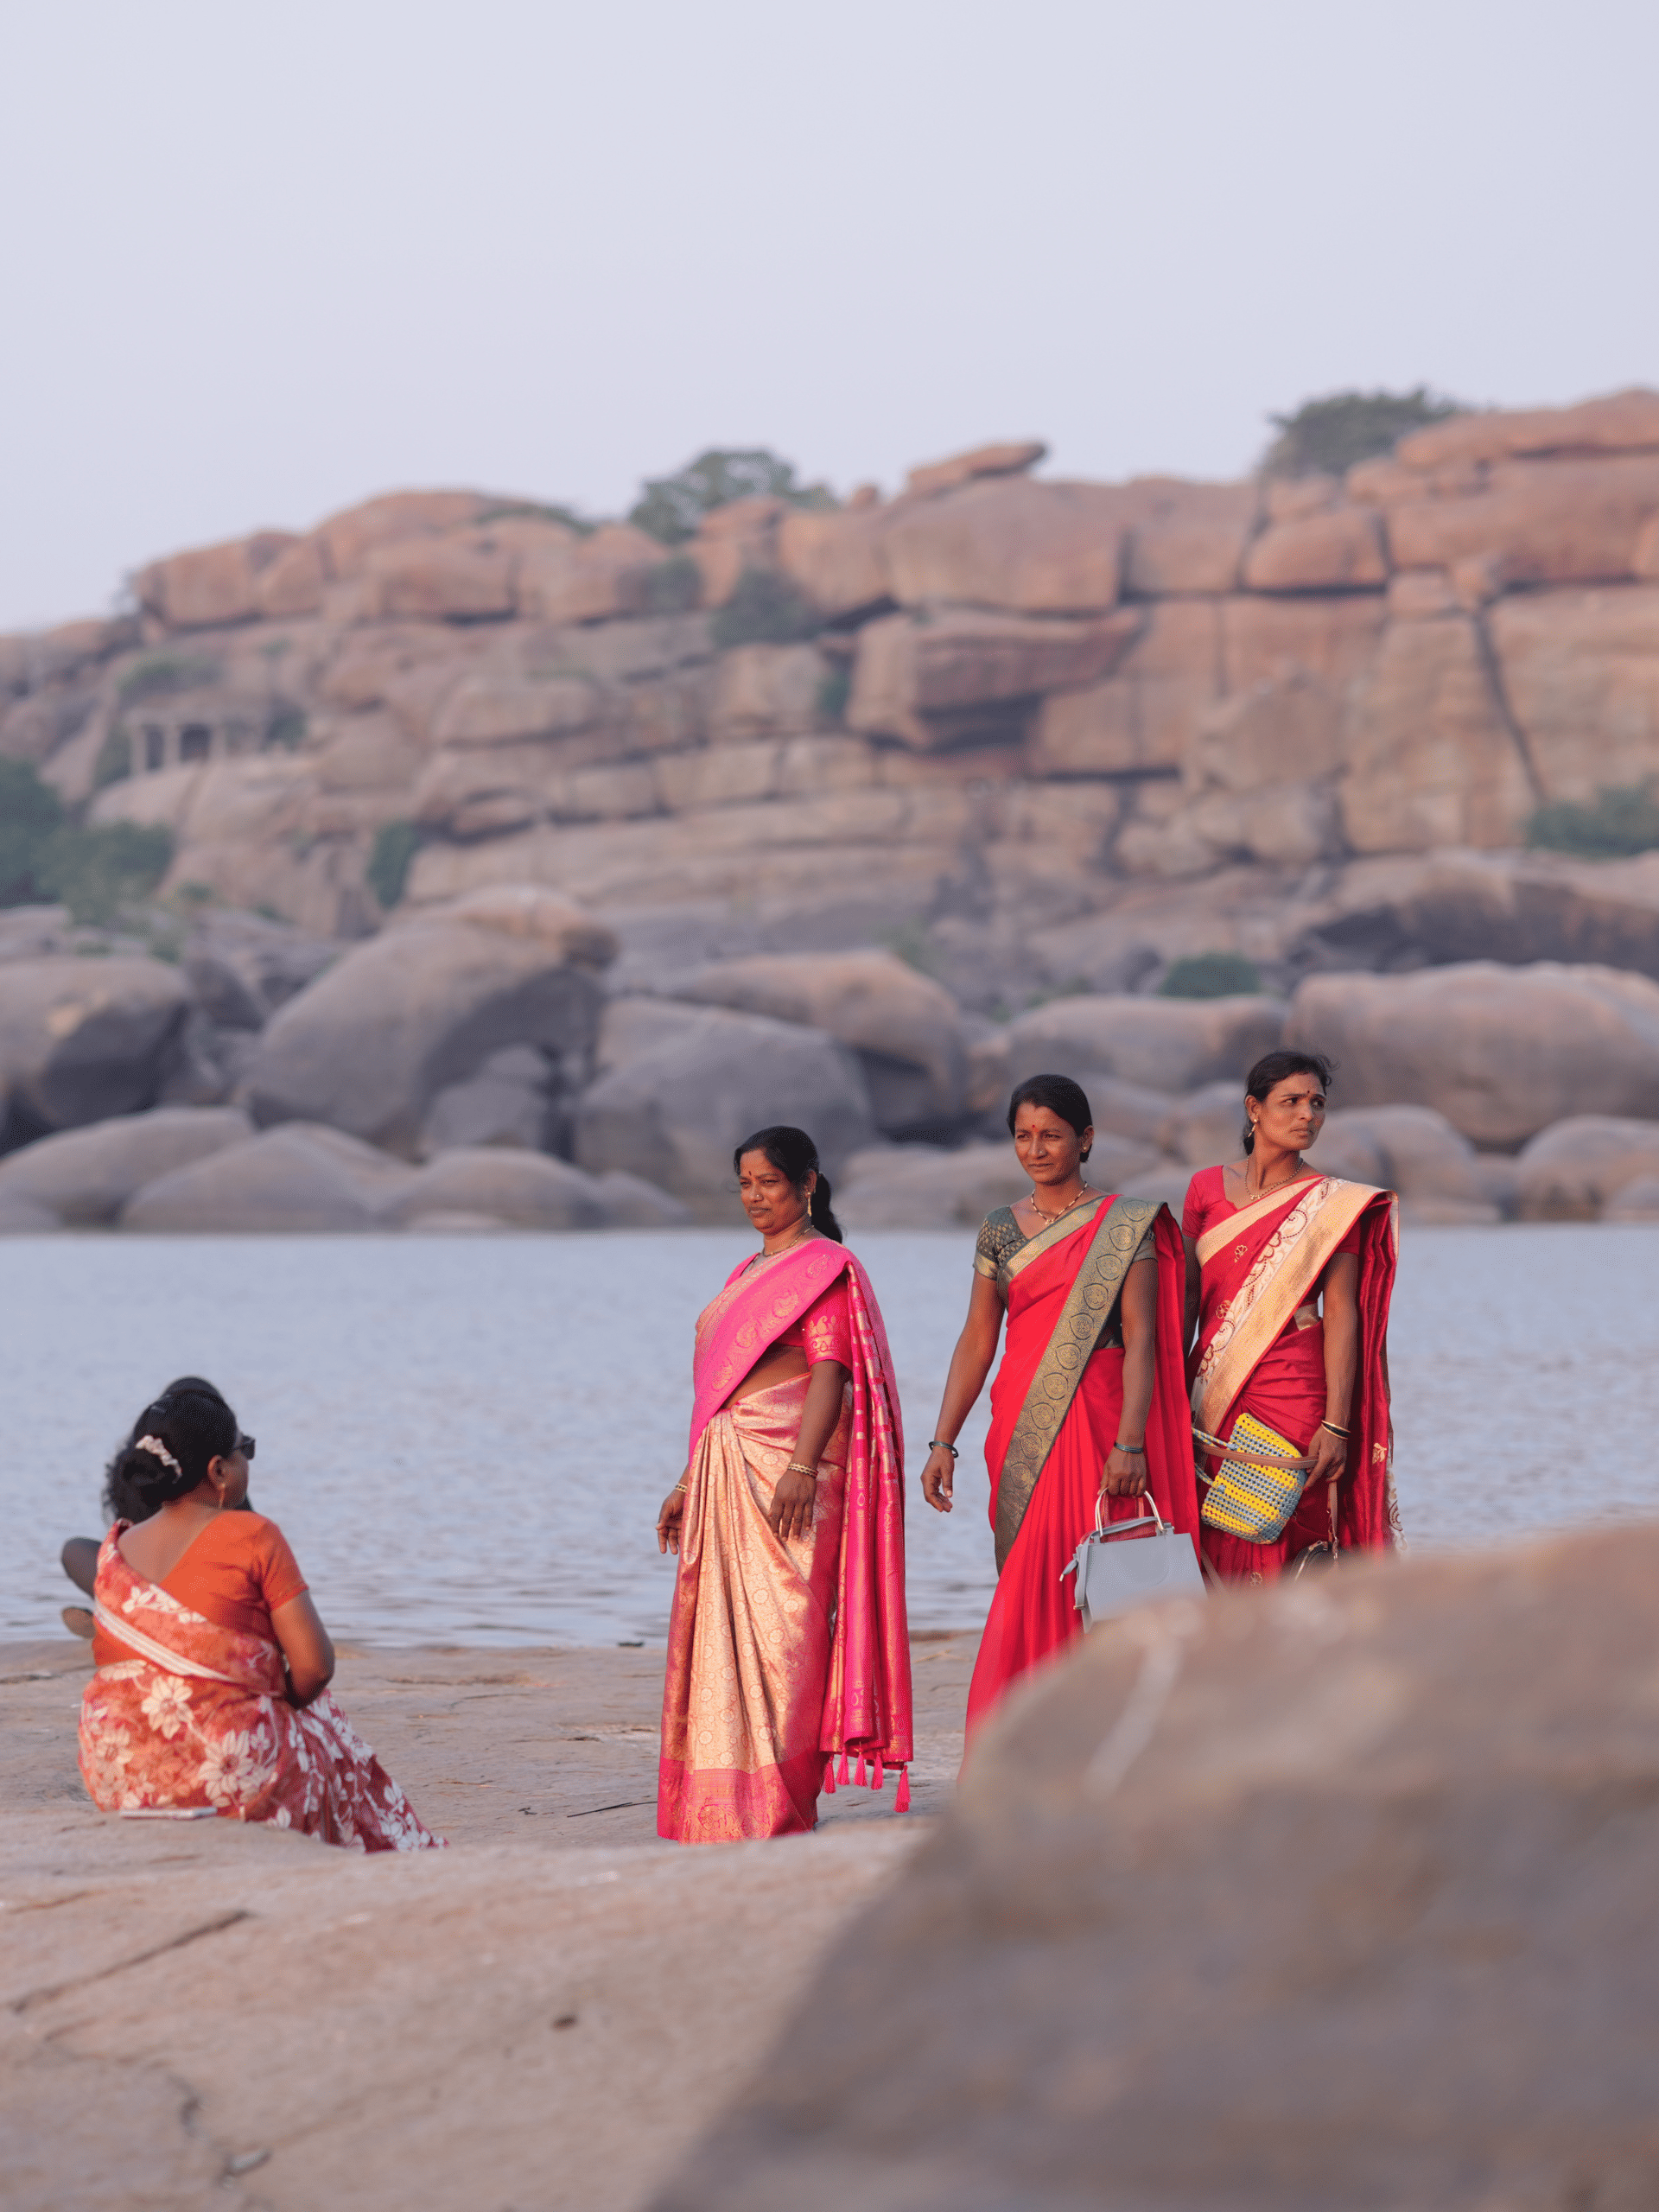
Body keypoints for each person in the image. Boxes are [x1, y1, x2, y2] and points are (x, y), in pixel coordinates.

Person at [656, 1125, 912, 1842]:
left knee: (789, 1636)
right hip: (726, 1460)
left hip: (791, 1470)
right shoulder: (744, 1274)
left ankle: (781, 1803)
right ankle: (720, 1804)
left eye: (769, 1182)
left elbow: (831, 1371)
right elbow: (717, 1396)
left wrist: (801, 1468)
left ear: (807, 1184)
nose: (755, 1197)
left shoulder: (823, 1267)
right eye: (745, 1184)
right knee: (719, 1636)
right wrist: (685, 1483)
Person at [921, 1075, 1198, 1738]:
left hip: (1102, 1424)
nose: (1036, 1149)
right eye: (1023, 1136)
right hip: (1021, 1424)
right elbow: (977, 1339)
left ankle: (1111, 1737)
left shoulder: (1123, 1225)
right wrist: (942, 1441)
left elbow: (1142, 1342)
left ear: (1085, 1139)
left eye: (1051, 1135)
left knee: (1105, 1577)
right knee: (1031, 1577)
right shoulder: (998, 1229)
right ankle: (1022, 1740)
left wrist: (1130, 1443)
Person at [79, 1379, 442, 1849]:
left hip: (119, 1772)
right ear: (219, 1470)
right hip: (228, 1774)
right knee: (324, 1722)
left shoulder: (115, 1549)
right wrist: (268, 1699)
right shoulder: (254, 1535)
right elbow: (316, 1667)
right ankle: (376, 1848)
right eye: (244, 1449)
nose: (248, 1459)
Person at [1181, 1049, 1400, 1585]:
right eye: (1292, 1102)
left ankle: (1285, 1637)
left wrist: (1336, 1423)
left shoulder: (1333, 1204)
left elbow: (1342, 1314)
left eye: (1317, 1104)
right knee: (1209, 1528)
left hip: (1293, 1392)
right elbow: (1185, 1301)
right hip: (1210, 1385)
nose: (1308, 1115)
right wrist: (1166, 1393)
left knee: (1278, 1524)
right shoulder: (1205, 1189)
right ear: (1254, 1109)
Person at [60, 1376, 242, 1637]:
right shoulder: (223, 1478)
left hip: (147, 1588)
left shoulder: (135, 1471)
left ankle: (120, 1619)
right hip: (190, 1591)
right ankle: (131, 1620)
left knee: (76, 1550)